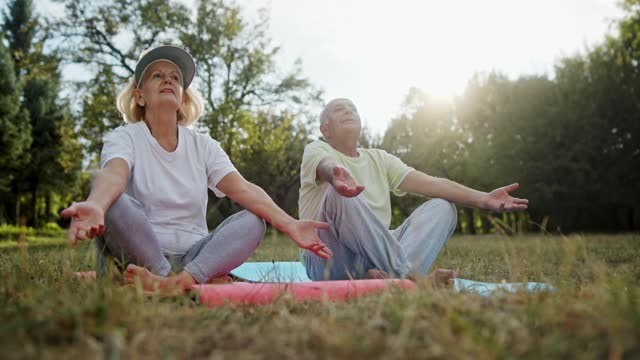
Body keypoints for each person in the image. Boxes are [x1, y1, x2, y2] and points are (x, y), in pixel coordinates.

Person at [61, 45, 332, 295]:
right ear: (139, 96)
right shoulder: (124, 137)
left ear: (182, 97)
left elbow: (244, 189)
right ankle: (177, 279)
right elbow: (113, 175)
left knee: (252, 221)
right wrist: (96, 204)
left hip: (193, 256)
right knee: (114, 203)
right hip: (138, 254)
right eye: (157, 76)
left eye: (175, 78)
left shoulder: (203, 145)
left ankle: (174, 282)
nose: (168, 80)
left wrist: (291, 224)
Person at [299, 98, 529, 284]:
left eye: (353, 109)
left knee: (442, 207)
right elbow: (325, 165)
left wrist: (484, 198)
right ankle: (411, 279)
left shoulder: (380, 159)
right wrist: (335, 173)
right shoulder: (316, 149)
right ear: (325, 129)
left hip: (378, 256)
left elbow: (432, 184)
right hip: (328, 256)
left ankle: (387, 279)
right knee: (339, 194)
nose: (349, 111)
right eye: (341, 109)